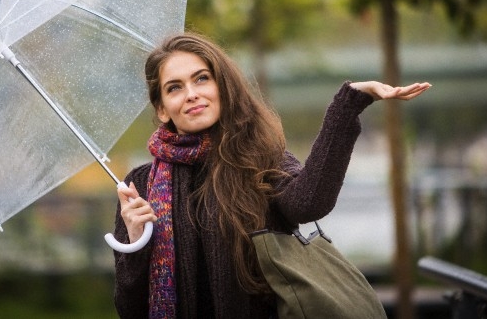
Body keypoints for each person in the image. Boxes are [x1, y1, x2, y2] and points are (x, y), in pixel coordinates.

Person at [112, 32, 431, 319]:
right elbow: (130, 310)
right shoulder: (140, 187)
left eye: (201, 79)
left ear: (222, 86)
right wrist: (135, 243)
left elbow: (308, 204)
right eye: (175, 87)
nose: (192, 94)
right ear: (162, 109)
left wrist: (348, 104)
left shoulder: (257, 157)